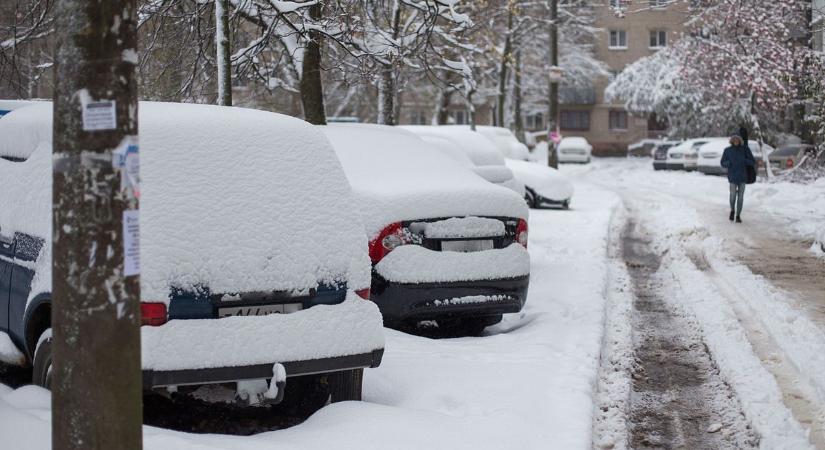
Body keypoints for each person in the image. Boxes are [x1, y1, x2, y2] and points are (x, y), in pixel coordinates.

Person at [721, 135, 755, 223]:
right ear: (732, 140)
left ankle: (738, 215)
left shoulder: (745, 149)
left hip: (743, 176)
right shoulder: (727, 150)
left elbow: (752, 161)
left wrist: (744, 161)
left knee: (740, 197)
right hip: (732, 176)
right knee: (732, 196)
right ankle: (732, 210)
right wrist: (729, 163)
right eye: (734, 139)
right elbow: (722, 162)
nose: (736, 140)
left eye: (738, 139)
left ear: (740, 140)